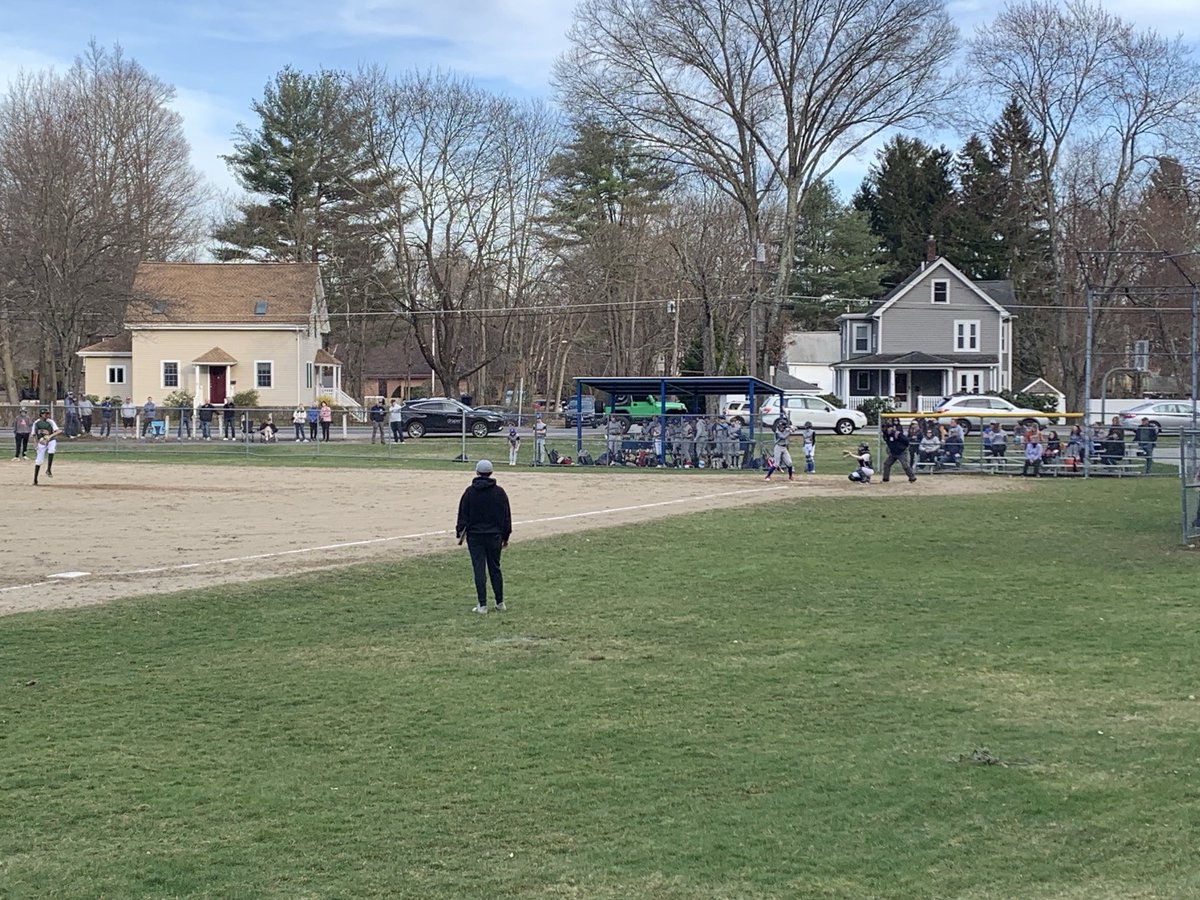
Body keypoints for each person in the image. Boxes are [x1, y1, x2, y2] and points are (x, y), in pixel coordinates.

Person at [455, 459, 512, 614]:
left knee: (479, 569)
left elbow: (463, 514)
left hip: (475, 536)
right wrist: (506, 536)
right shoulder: (499, 492)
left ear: (477, 472)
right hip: (494, 536)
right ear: (491, 473)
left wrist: (459, 532)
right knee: (495, 568)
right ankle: (500, 602)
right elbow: (506, 516)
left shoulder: (470, 492)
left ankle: (482, 604)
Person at [31, 408, 61, 486]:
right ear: (41, 414)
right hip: (41, 442)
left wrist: (50, 436)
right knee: (38, 461)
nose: (46, 415)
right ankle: (35, 480)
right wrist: (35, 443)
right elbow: (34, 434)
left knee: (51, 450)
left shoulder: (50, 422)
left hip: (51, 440)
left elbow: (58, 431)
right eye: (45, 414)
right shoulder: (36, 423)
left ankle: (48, 469)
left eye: (47, 414)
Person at [764, 416, 794, 481]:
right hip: (778, 447)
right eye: (781, 426)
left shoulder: (785, 429)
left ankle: (790, 476)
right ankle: (768, 476)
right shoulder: (777, 432)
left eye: (783, 426)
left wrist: (793, 428)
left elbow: (792, 430)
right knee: (776, 464)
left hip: (784, 448)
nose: (782, 427)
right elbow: (783, 437)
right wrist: (790, 431)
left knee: (789, 463)